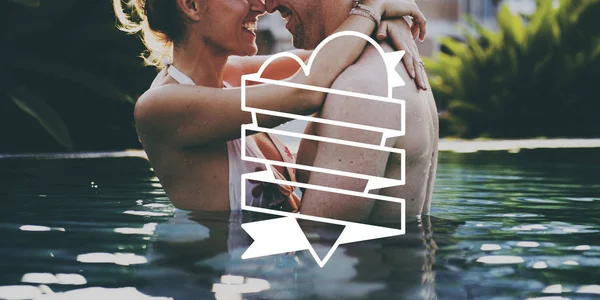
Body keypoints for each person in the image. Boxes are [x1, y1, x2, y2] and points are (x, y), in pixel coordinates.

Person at [112, 0, 427, 213]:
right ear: (192, 5)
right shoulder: (161, 106)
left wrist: (387, 19)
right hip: (212, 278)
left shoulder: (231, 74)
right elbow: (305, 92)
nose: (260, 5)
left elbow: (336, 57)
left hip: (262, 278)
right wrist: (371, 7)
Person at [266, 0, 439, 221]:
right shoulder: (391, 69)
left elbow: (323, 245)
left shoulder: (361, 88)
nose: (269, 6)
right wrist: (372, 12)